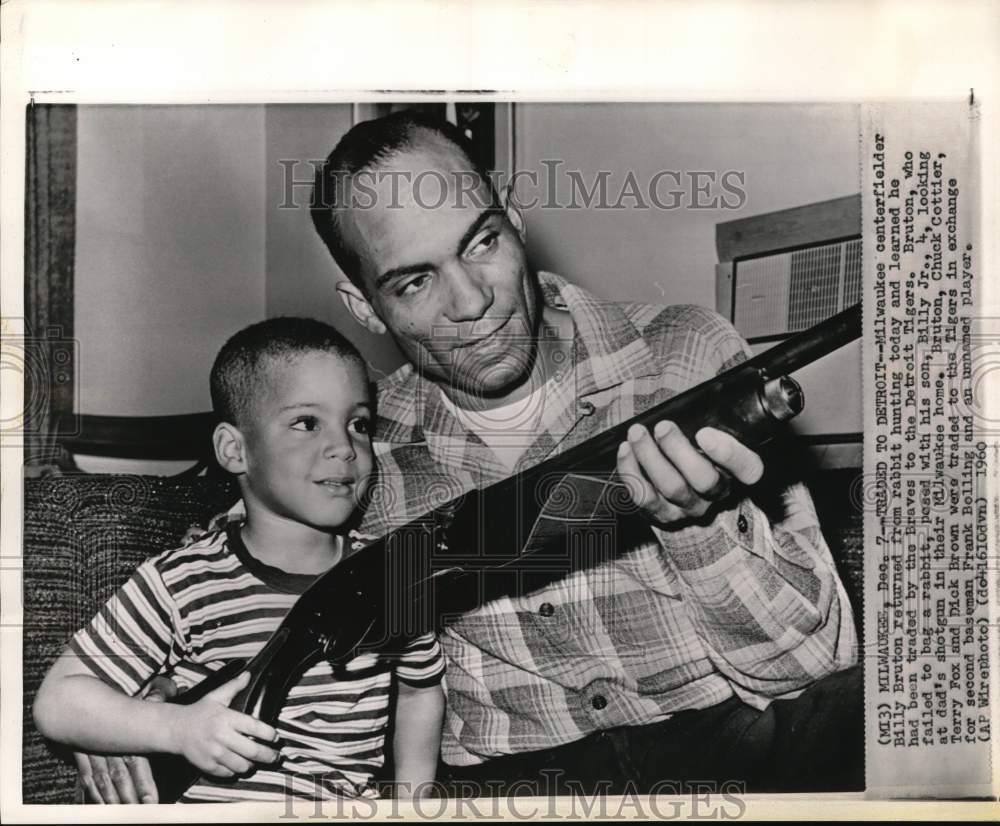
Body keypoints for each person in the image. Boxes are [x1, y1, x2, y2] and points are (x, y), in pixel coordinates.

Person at [75, 110, 862, 801]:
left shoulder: (687, 355)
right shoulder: (359, 454)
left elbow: (816, 665)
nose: (472, 300)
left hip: (734, 750)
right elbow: (247, 578)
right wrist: (138, 714)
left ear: (514, 220)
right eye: (415, 282)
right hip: (511, 787)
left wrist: (700, 528)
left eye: (481, 243)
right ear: (367, 310)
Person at [35, 317, 445, 803]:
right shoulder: (182, 580)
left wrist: (412, 805)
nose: (345, 447)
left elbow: (421, 691)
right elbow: (59, 701)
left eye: (358, 423)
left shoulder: (391, 579)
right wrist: (177, 728)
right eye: (306, 423)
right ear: (235, 450)